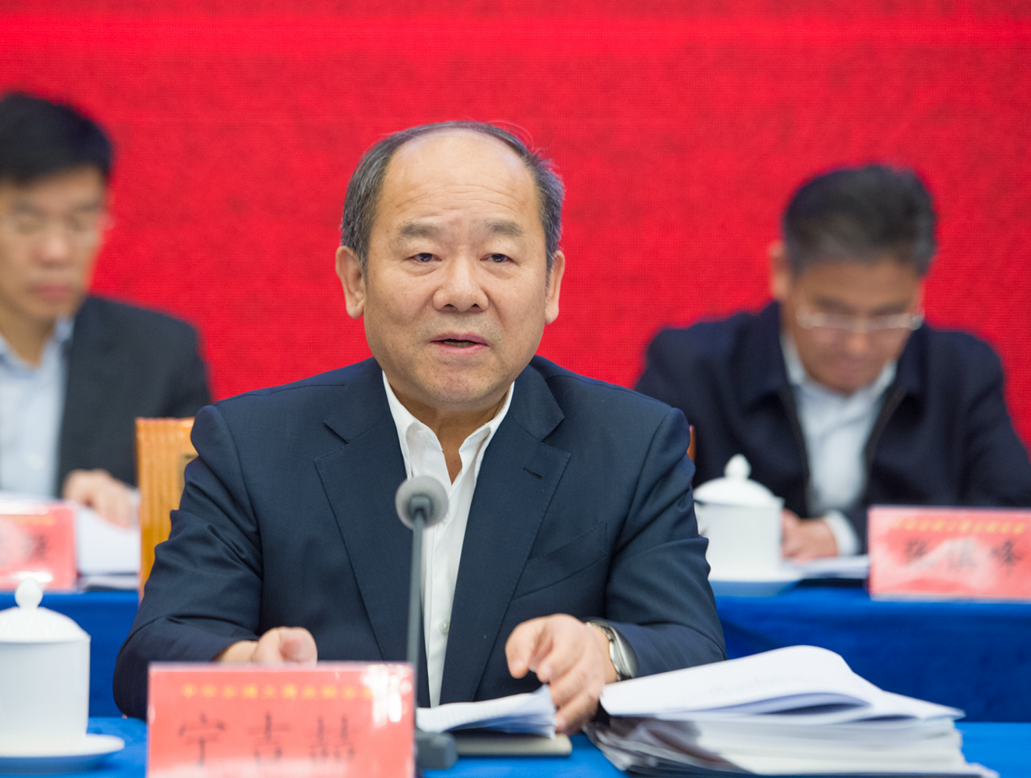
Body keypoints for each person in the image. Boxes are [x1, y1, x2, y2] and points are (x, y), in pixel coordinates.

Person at [115, 122, 724, 731]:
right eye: (423, 256)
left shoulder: (633, 446)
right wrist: (246, 670)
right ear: (356, 280)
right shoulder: (251, 445)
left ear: (550, 286)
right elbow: (151, 655)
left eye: (499, 257)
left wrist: (604, 653)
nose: (461, 292)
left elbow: (694, 649)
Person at [636, 165, 1031, 560]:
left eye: (888, 317)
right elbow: (636, 507)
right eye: (831, 314)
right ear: (782, 272)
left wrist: (846, 534)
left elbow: (1013, 515)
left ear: (918, 290)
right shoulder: (693, 368)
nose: (858, 345)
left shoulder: (961, 373)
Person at [0, 92, 211, 541]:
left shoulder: (162, 358)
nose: (56, 252)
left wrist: (136, 508)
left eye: (80, 222)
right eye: (27, 222)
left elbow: (208, 524)